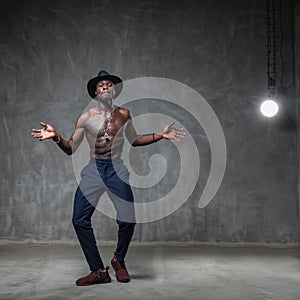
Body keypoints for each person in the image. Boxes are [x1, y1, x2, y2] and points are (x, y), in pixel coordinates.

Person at [31, 70, 186, 286]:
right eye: (101, 85)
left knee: (127, 219)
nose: (105, 87)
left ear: (113, 90)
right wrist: (56, 137)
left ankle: (118, 260)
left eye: (109, 84)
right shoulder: (85, 118)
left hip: (116, 169)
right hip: (94, 169)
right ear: (95, 91)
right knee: (79, 219)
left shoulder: (124, 113)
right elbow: (70, 148)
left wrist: (160, 135)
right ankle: (97, 271)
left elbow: (134, 140)